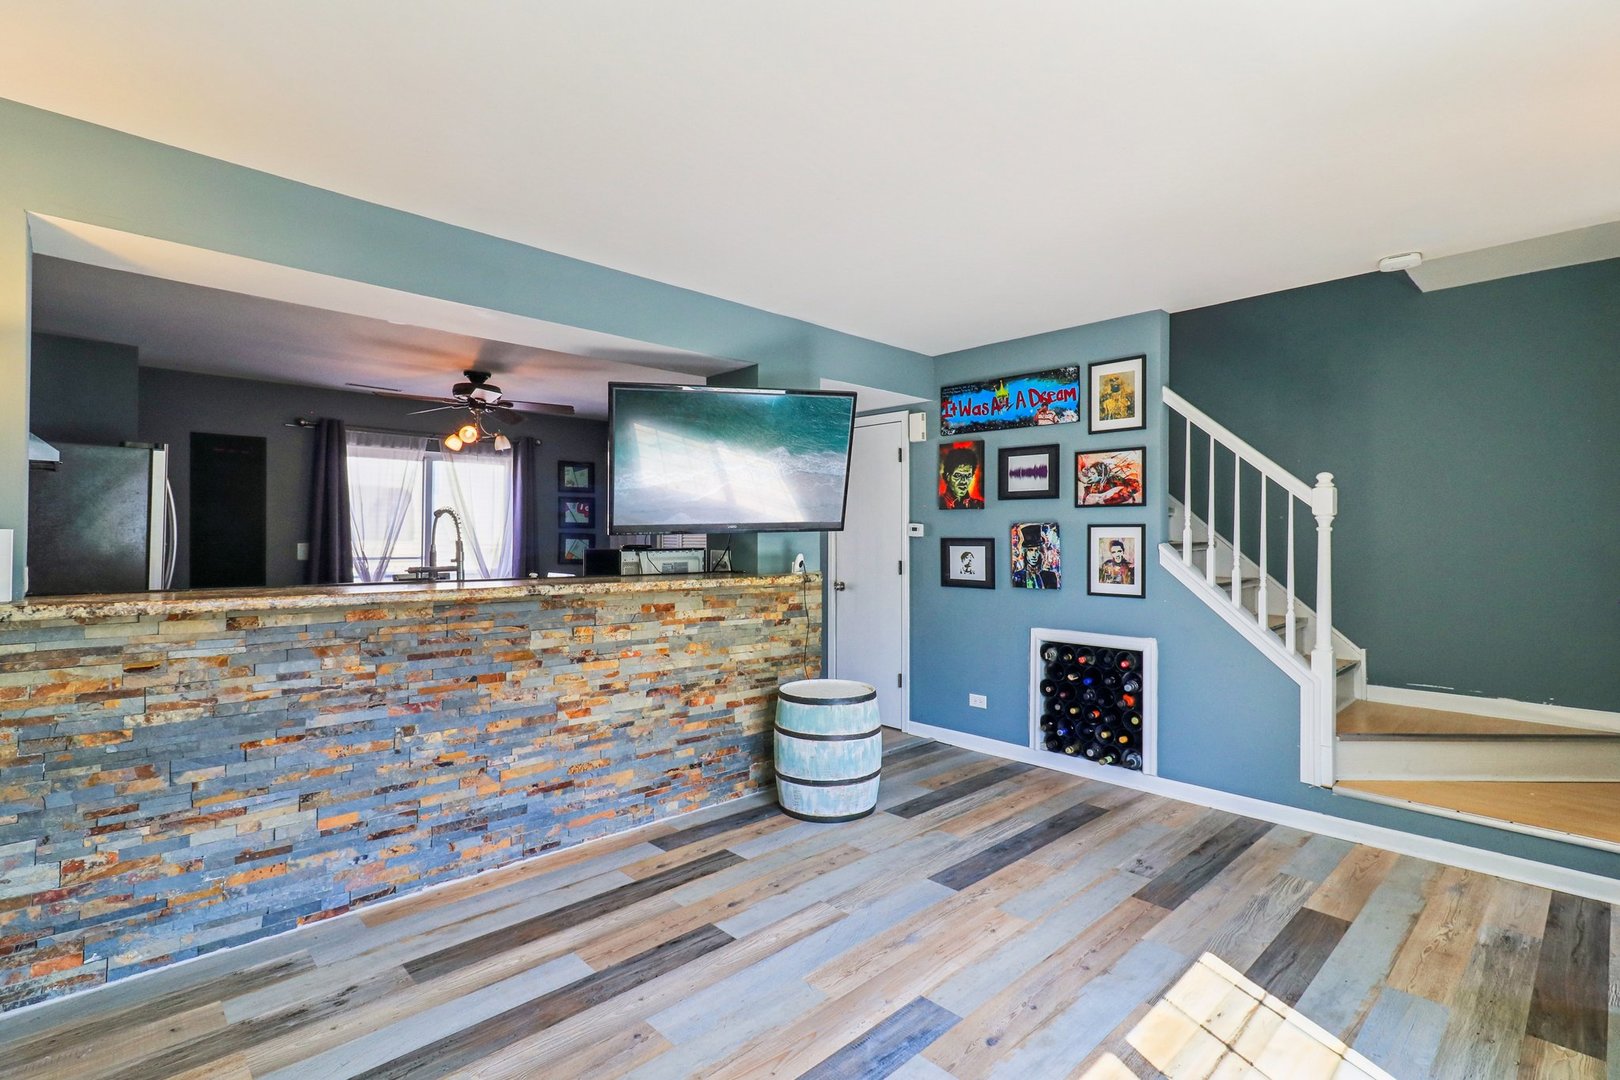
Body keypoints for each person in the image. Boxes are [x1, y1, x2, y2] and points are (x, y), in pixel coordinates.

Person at [1014, 523, 1059, 589]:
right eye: (1030, 550)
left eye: (1037, 550)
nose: (1034, 555)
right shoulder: (1018, 576)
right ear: (1025, 553)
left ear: (1041, 553)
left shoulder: (1050, 576)